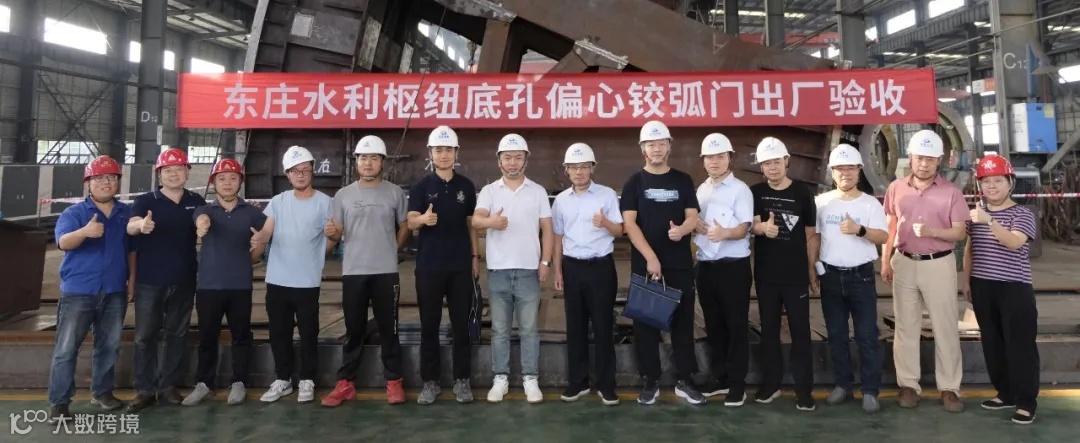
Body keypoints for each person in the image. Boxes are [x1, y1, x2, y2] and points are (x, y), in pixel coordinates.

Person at [880, 129, 968, 413]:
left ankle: (950, 388)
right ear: (911, 158)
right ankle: (908, 385)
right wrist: (885, 260)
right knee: (906, 326)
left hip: (938, 263)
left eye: (930, 159)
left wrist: (933, 232)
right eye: (920, 158)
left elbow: (959, 232)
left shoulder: (951, 192)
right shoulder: (896, 188)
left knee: (945, 326)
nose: (924, 164)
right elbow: (890, 226)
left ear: (939, 161)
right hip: (904, 262)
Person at [620, 120, 706, 406]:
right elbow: (630, 224)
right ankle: (650, 379)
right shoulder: (634, 182)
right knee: (645, 324)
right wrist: (651, 257)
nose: (656, 149)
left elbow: (692, 216)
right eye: (651, 144)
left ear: (669, 146)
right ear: (643, 149)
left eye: (661, 144)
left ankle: (685, 380)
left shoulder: (683, 180)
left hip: (679, 264)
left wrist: (682, 230)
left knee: (683, 323)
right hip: (647, 265)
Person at [321, 135, 410, 407]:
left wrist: (393, 247)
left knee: (389, 328)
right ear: (356, 162)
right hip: (354, 272)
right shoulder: (343, 195)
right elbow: (336, 232)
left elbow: (405, 225)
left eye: (373, 158)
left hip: (386, 272)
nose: (368, 163)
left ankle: (394, 380)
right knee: (354, 328)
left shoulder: (395, 193)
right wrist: (331, 234)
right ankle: (346, 382)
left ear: (382, 162)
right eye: (363, 158)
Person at [48, 155, 132, 421]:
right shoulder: (74, 214)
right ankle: (60, 402)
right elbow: (63, 242)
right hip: (79, 292)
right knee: (66, 348)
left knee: (109, 346)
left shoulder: (125, 213)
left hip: (114, 291)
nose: (107, 182)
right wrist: (84, 232)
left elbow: (132, 251)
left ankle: (102, 393)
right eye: (100, 178)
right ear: (88, 183)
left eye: (112, 177)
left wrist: (132, 282)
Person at [472, 133, 554, 404]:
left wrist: (545, 262)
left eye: (518, 157)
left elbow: (547, 229)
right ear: (499, 162)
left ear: (526, 161)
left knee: (529, 329)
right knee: (500, 330)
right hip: (498, 270)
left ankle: (531, 378)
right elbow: (476, 221)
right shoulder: (489, 191)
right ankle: (501, 378)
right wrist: (491, 223)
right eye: (507, 157)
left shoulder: (538, 191)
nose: (512, 162)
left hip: (529, 270)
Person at [124, 149, 206, 413]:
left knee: (177, 334)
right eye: (168, 170)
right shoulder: (145, 201)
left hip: (184, 279)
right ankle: (145, 389)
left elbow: (203, 219)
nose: (173, 174)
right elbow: (131, 225)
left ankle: (168, 385)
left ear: (187, 172)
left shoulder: (195, 200)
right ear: (159, 174)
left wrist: (204, 224)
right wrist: (140, 226)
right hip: (150, 281)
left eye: (179, 169)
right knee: (144, 336)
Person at [182, 158, 269, 407]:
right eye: (222, 178)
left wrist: (257, 248)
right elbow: (200, 221)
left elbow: (261, 243)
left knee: (241, 336)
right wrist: (201, 226)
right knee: (207, 337)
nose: (227, 183)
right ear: (213, 183)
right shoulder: (205, 210)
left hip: (240, 285)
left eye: (233, 178)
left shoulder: (252, 213)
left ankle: (239, 382)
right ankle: (204, 383)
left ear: (240, 182)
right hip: (208, 286)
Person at [962, 153, 1040, 424]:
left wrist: (989, 221)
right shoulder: (975, 216)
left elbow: (1014, 243)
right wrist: (967, 281)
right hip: (983, 286)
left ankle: (1026, 402)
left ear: (1010, 183)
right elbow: (970, 250)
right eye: (986, 181)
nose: (991, 186)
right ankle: (1005, 393)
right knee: (993, 344)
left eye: (997, 180)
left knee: (1020, 345)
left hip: (1014, 288)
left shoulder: (1022, 214)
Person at [813, 144, 889, 414]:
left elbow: (883, 236)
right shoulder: (821, 203)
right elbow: (815, 238)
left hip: (861, 278)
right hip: (831, 277)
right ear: (832, 172)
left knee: (867, 335)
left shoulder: (870, 204)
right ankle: (842, 385)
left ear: (859, 171)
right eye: (839, 168)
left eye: (850, 168)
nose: (845, 173)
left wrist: (860, 230)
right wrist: (812, 268)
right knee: (836, 335)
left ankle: (870, 391)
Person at [409, 126, 481, 405]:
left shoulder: (466, 187)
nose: (443, 155)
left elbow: (471, 224)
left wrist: (474, 257)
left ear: (456, 153)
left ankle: (462, 380)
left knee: (461, 324)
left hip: (460, 266)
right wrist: (422, 220)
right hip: (429, 267)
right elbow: (410, 221)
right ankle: (431, 382)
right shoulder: (421, 187)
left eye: (448, 150)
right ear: (431, 153)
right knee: (429, 324)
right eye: (438, 150)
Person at [258, 146, 334, 404]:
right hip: (277, 280)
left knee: (308, 332)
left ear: (312, 171)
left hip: (307, 282)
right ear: (287, 174)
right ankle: (283, 379)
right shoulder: (278, 202)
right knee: (279, 333)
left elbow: (333, 234)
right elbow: (267, 230)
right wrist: (260, 238)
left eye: (305, 170)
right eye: (295, 171)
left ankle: (307, 379)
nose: (300, 175)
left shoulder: (325, 202)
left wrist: (320, 254)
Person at [749, 136, 818, 412]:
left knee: (800, 331)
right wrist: (762, 229)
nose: (772, 168)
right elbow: (753, 225)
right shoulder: (755, 192)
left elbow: (811, 234)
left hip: (795, 274)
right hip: (766, 275)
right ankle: (771, 384)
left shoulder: (802, 193)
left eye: (776, 162)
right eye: (767, 163)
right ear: (761, 167)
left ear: (786, 161)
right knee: (769, 331)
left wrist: (811, 268)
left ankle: (804, 389)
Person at [551, 143, 623, 406]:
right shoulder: (561, 200)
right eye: (574, 167)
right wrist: (557, 269)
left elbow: (620, 231)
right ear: (566, 171)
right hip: (572, 268)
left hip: (601, 268)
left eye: (584, 167)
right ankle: (578, 382)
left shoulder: (607, 195)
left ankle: (606, 385)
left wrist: (605, 223)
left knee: (603, 326)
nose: (579, 172)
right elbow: (558, 237)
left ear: (593, 168)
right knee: (575, 327)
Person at [692, 133, 754, 408]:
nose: (714, 162)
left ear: (729, 158)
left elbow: (744, 228)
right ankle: (721, 378)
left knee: (736, 326)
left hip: (733, 268)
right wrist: (695, 225)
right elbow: (696, 222)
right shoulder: (702, 189)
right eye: (709, 157)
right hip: (706, 266)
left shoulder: (740, 190)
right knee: (714, 326)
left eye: (720, 156)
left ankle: (738, 385)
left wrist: (724, 233)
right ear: (703, 160)